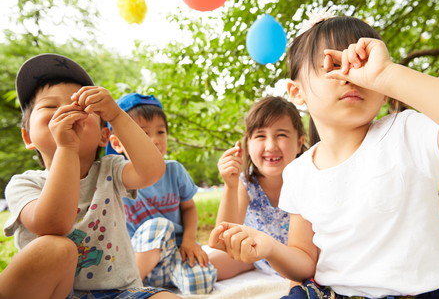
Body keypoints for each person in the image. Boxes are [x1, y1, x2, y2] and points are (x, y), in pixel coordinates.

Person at [209, 13, 439, 299]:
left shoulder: (407, 133)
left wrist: (389, 75)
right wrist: (271, 248)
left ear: (384, 92)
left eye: (361, 64)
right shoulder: (298, 173)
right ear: (297, 93)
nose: (349, 75)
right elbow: (304, 261)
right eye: (333, 65)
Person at [2, 54, 179, 299]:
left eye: (82, 107)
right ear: (28, 137)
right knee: (56, 248)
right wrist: (67, 149)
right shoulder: (24, 184)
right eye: (50, 107)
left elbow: (152, 171)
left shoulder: (111, 169)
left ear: (104, 137)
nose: (66, 110)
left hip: (121, 292)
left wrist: (116, 115)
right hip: (55, 293)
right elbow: (54, 225)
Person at [106, 93, 216, 295]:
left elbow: (189, 207)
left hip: (174, 254)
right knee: (159, 225)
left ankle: (154, 287)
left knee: (201, 283)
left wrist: (189, 240)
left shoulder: (174, 170)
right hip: (136, 259)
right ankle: (126, 289)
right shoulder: (115, 178)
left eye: (160, 132)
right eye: (143, 134)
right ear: (117, 143)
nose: (155, 140)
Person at [209, 96, 306, 281]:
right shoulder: (246, 183)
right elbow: (224, 237)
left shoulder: (307, 179)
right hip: (257, 256)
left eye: (281, 135)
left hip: (300, 260)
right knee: (203, 269)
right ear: (247, 144)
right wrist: (230, 185)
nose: (271, 146)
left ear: (299, 143)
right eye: (260, 136)